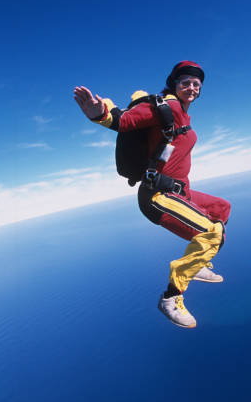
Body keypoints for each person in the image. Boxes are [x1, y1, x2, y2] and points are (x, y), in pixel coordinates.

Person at [74, 61, 231, 329]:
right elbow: (124, 121)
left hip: (180, 192)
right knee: (211, 233)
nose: (191, 87)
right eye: (185, 82)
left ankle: (197, 263)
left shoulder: (181, 112)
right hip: (157, 195)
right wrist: (98, 113)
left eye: (196, 84)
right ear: (174, 84)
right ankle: (171, 298)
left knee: (222, 209)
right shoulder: (166, 107)